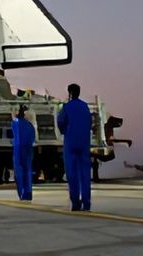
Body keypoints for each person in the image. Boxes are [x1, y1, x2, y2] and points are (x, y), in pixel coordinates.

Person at [56, 83, 92, 211]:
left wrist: (65, 132)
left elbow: (60, 121)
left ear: (70, 93)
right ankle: (86, 203)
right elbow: (90, 123)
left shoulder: (66, 107)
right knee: (85, 173)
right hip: (84, 143)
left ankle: (76, 203)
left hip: (71, 142)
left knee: (72, 173)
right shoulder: (85, 106)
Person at [11, 105, 36, 201]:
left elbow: (13, 126)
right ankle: (28, 193)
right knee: (28, 171)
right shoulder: (29, 125)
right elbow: (33, 138)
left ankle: (21, 193)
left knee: (19, 172)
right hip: (28, 149)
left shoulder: (15, 123)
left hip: (18, 149)